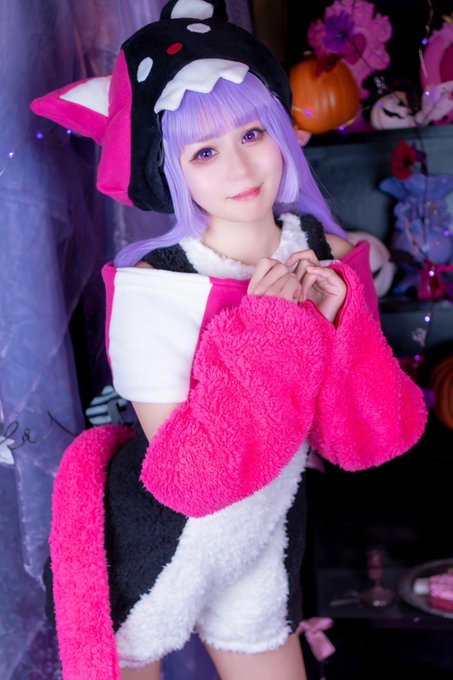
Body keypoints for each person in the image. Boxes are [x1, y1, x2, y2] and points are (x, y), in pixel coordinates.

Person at [31, 2, 427, 679]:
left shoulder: (327, 254)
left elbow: (368, 440)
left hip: (260, 541)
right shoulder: (151, 287)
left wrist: (342, 331)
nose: (240, 168)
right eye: (204, 152)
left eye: (252, 132)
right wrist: (269, 330)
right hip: (153, 547)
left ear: (280, 128)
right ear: (170, 169)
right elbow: (189, 478)